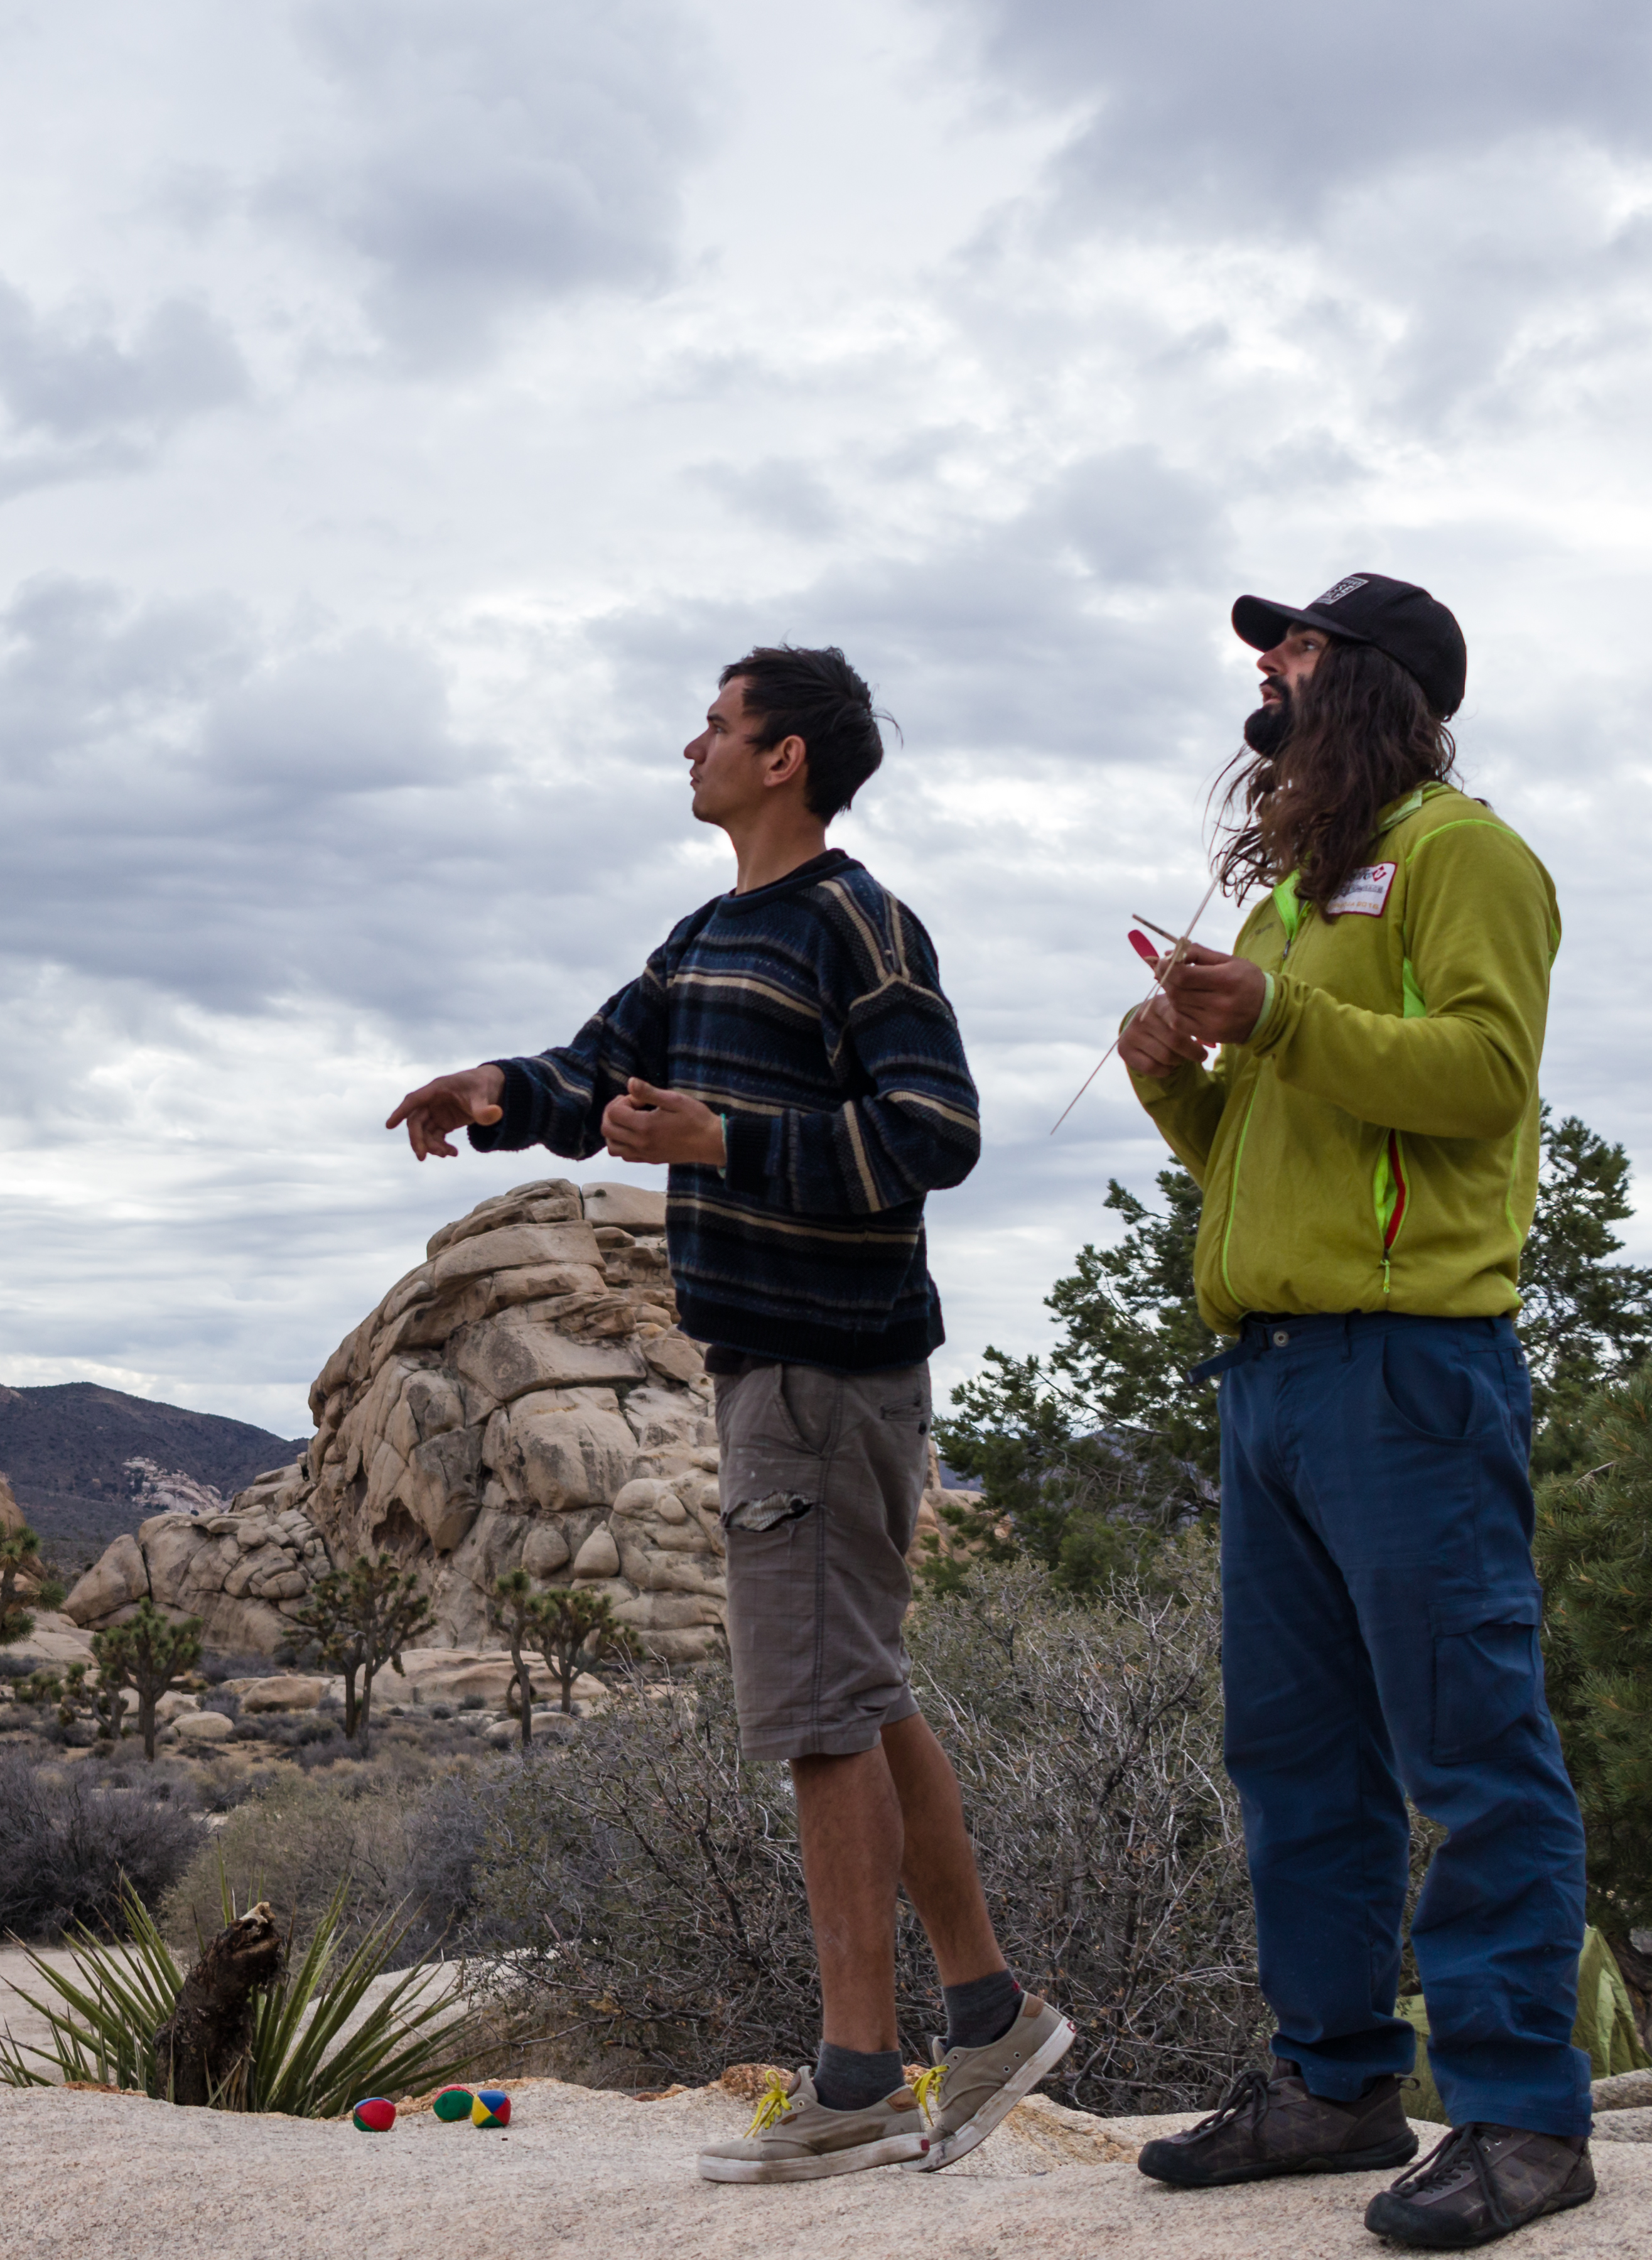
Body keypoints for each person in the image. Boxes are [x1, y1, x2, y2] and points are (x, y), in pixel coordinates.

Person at [387, 644, 1070, 2182]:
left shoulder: (858, 924)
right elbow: (600, 1068)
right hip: (776, 1363)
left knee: (820, 1716)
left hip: (829, 1370)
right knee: (863, 1689)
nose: (687, 742)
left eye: (714, 722)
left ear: (784, 759)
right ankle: (990, 2013)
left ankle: (854, 2074)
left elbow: (937, 1131)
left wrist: (728, 1137)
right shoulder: (710, 937)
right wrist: (493, 1085)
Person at [1122, 573, 1594, 2248]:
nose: (1270, 669)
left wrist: (1286, 1018)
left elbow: (1481, 1082)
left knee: (1469, 1745)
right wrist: (1183, 1079)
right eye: (1267, 651)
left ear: (1381, 683)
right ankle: (1333, 2084)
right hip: (1268, 1378)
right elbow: (1269, 1148)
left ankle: (1525, 2119)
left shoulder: (1468, 854)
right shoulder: (1292, 900)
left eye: (1299, 648)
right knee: (1296, 1754)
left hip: (1408, 1372)